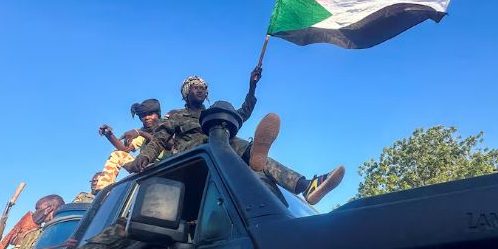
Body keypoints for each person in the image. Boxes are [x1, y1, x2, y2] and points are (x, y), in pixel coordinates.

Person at [125, 71, 344, 205]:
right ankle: (251, 154)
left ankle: (306, 186)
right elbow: (159, 140)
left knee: (256, 163)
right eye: (195, 87)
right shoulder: (176, 115)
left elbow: (242, 113)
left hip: (223, 153)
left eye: (203, 87)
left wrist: (252, 86)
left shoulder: (214, 115)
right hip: (194, 160)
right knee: (234, 143)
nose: (201, 90)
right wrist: (143, 158)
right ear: (186, 92)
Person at [93, 99, 164, 192]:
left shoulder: (166, 126)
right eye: (143, 115)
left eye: (150, 114)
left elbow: (166, 143)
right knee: (117, 154)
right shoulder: (142, 131)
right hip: (145, 167)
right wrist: (109, 134)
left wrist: (140, 133)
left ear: (158, 114)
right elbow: (125, 150)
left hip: (165, 166)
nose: (146, 118)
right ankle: (102, 192)